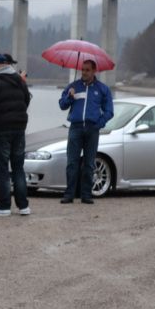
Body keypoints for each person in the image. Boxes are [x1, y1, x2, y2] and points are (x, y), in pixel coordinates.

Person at [0, 53, 32, 217]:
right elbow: (26, 100)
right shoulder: (19, 81)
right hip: (19, 128)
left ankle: (4, 206)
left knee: (2, 168)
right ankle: (23, 205)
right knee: (18, 168)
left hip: (1, 129)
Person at [58, 58, 114, 204]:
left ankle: (86, 195)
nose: (84, 72)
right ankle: (69, 194)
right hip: (75, 128)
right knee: (72, 163)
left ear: (94, 71)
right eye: (82, 69)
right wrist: (69, 97)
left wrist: (99, 123)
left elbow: (109, 111)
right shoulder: (73, 86)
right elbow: (62, 105)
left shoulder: (102, 89)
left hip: (92, 129)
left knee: (89, 164)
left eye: (87, 70)